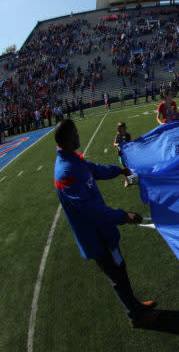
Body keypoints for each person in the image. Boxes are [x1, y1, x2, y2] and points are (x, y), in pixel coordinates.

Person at [53, 119, 159, 328]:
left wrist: (117, 170)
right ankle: (135, 316)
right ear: (65, 139)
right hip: (95, 236)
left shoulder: (73, 159)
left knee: (120, 268)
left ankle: (135, 306)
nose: (77, 136)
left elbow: (94, 170)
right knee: (117, 276)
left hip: (103, 232)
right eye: (74, 133)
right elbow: (90, 210)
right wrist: (123, 216)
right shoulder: (65, 173)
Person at [113, 122, 132, 187]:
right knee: (124, 167)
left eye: (124, 127)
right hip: (121, 154)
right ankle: (126, 180)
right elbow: (114, 144)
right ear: (119, 129)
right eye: (122, 128)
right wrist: (117, 144)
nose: (123, 129)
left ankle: (132, 178)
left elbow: (130, 143)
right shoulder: (118, 136)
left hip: (128, 154)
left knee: (129, 166)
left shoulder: (128, 135)